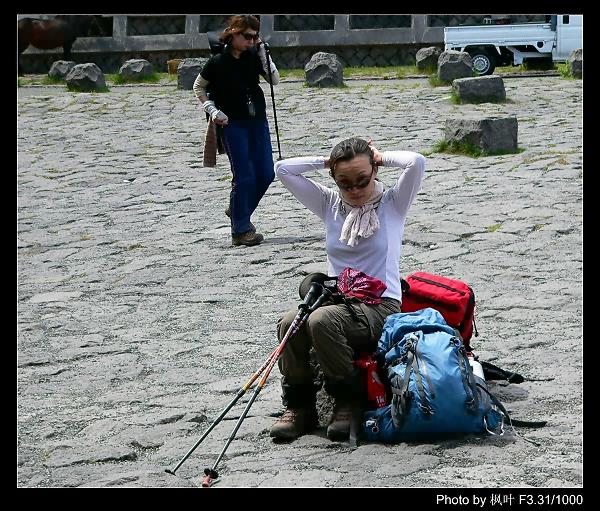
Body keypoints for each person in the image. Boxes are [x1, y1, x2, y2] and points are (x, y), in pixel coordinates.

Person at [269, 137, 426, 441]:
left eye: (362, 180)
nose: (354, 190)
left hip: (381, 305)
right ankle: (300, 407)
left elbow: (416, 161)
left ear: (374, 172)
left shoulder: (393, 203)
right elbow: (283, 170)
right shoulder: (329, 204)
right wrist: (327, 162)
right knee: (291, 321)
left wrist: (379, 156)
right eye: (345, 183)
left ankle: (348, 401)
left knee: (321, 321)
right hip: (339, 299)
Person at [193, 15, 280, 247]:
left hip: (257, 119)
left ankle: (237, 209)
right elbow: (198, 86)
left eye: (255, 37)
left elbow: (275, 80)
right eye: (247, 37)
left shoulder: (254, 56)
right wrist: (211, 109)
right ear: (233, 33)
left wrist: (263, 54)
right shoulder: (217, 62)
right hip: (232, 124)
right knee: (244, 176)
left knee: (266, 173)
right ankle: (240, 231)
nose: (251, 41)